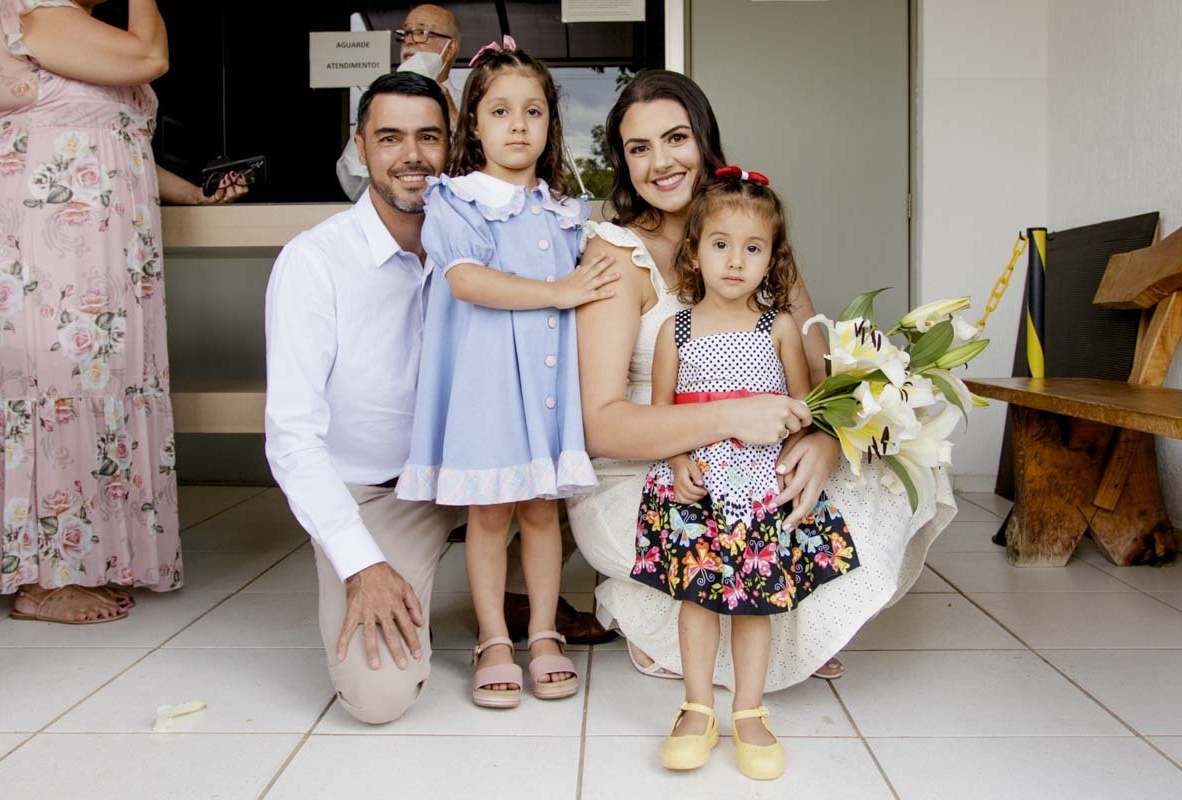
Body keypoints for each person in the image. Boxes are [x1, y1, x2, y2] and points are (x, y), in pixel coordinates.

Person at [567, 70, 958, 692]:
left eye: (676, 138)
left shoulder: (754, 233)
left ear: (704, 139)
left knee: (888, 467)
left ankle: (798, 626)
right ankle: (666, 620)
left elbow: (818, 371)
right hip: (649, 469)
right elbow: (600, 424)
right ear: (623, 161)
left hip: (758, 456)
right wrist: (730, 417)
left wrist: (823, 442)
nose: (661, 162)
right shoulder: (616, 254)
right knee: (724, 527)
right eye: (639, 148)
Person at [0, 0, 243, 624]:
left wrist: (195, 194)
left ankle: (85, 560)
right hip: (51, 241)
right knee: (59, 380)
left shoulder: (81, 33)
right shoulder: (37, 11)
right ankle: (43, 581)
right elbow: (150, 56)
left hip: (107, 247)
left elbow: (116, 140)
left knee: (100, 382)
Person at [395, 38, 618, 708]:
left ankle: (543, 630)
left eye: (533, 111)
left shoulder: (563, 210)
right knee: (490, 515)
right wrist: (558, 292)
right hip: (488, 390)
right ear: (475, 123)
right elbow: (468, 281)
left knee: (543, 513)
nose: (518, 125)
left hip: (546, 391)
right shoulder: (457, 200)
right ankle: (493, 637)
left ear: (551, 122)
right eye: (500, 111)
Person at [643, 169, 859, 779]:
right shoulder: (675, 330)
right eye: (721, 244)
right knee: (696, 599)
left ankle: (748, 710)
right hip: (697, 487)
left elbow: (803, 410)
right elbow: (660, 417)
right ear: (694, 252)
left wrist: (796, 458)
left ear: (773, 259)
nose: (736, 261)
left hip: (761, 486)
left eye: (753, 248)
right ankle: (696, 707)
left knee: (752, 603)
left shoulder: (779, 327)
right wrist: (678, 461)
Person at [266, 71, 460, 724]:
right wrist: (361, 564)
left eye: (429, 136)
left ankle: (517, 595)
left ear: (451, 145)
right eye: (390, 137)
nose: (413, 155)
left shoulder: (478, 246)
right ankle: (378, 565)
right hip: (379, 494)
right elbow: (292, 438)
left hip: (476, 473)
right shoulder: (314, 262)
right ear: (360, 147)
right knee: (378, 697)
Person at [336, 4, 462, 201]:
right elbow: (353, 179)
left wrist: (459, 126)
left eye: (421, 33)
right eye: (405, 33)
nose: (409, 40)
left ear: (450, 48)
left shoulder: (469, 104)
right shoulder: (380, 103)